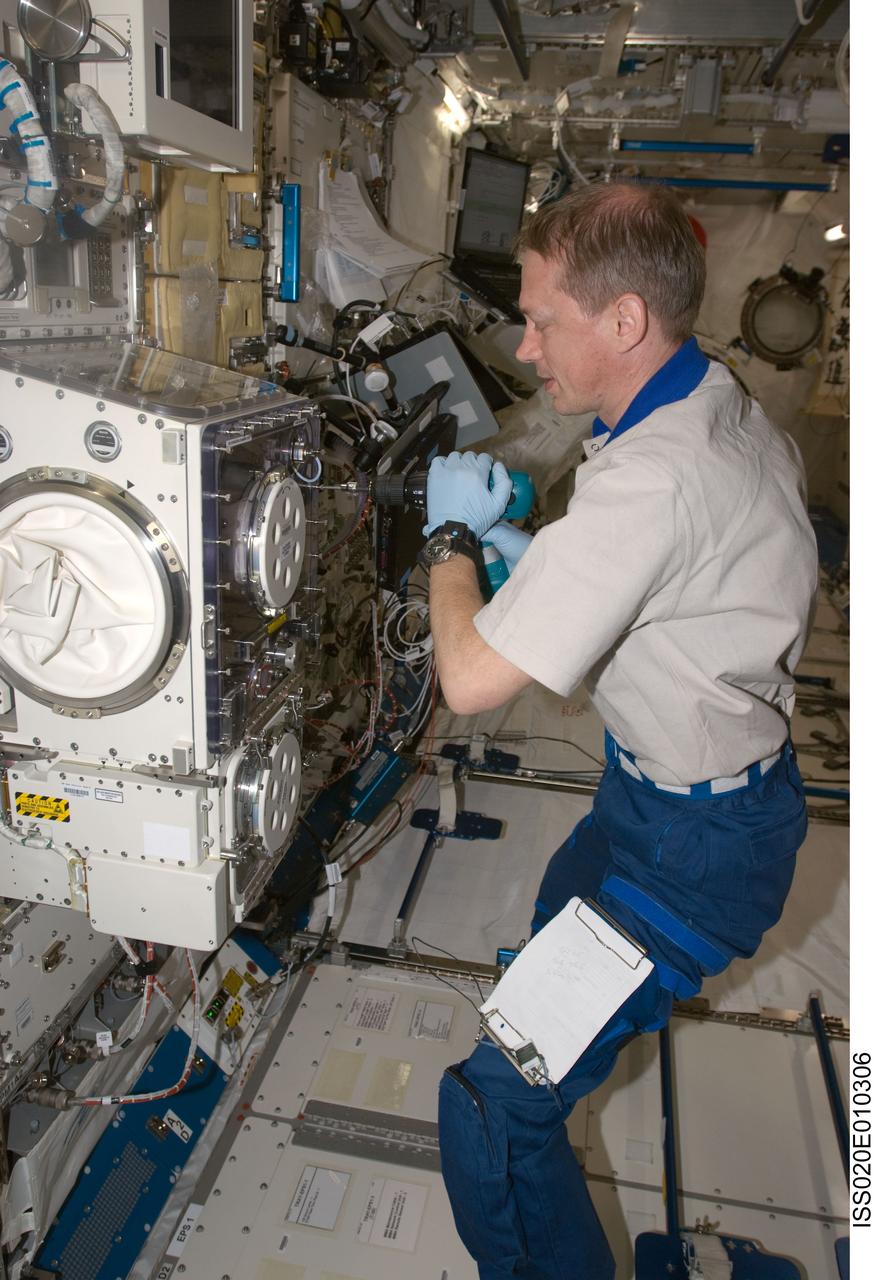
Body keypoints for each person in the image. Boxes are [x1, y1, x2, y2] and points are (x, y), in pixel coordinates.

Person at [419, 182, 819, 1280]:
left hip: (694, 858)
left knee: (490, 1111)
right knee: (548, 925)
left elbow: (467, 680)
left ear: (625, 320)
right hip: (661, 802)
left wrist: (452, 537)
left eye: (542, 316)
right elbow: (674, 565)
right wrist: (534, 557)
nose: (522, 339)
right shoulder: (707, 395)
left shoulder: (651, 479)